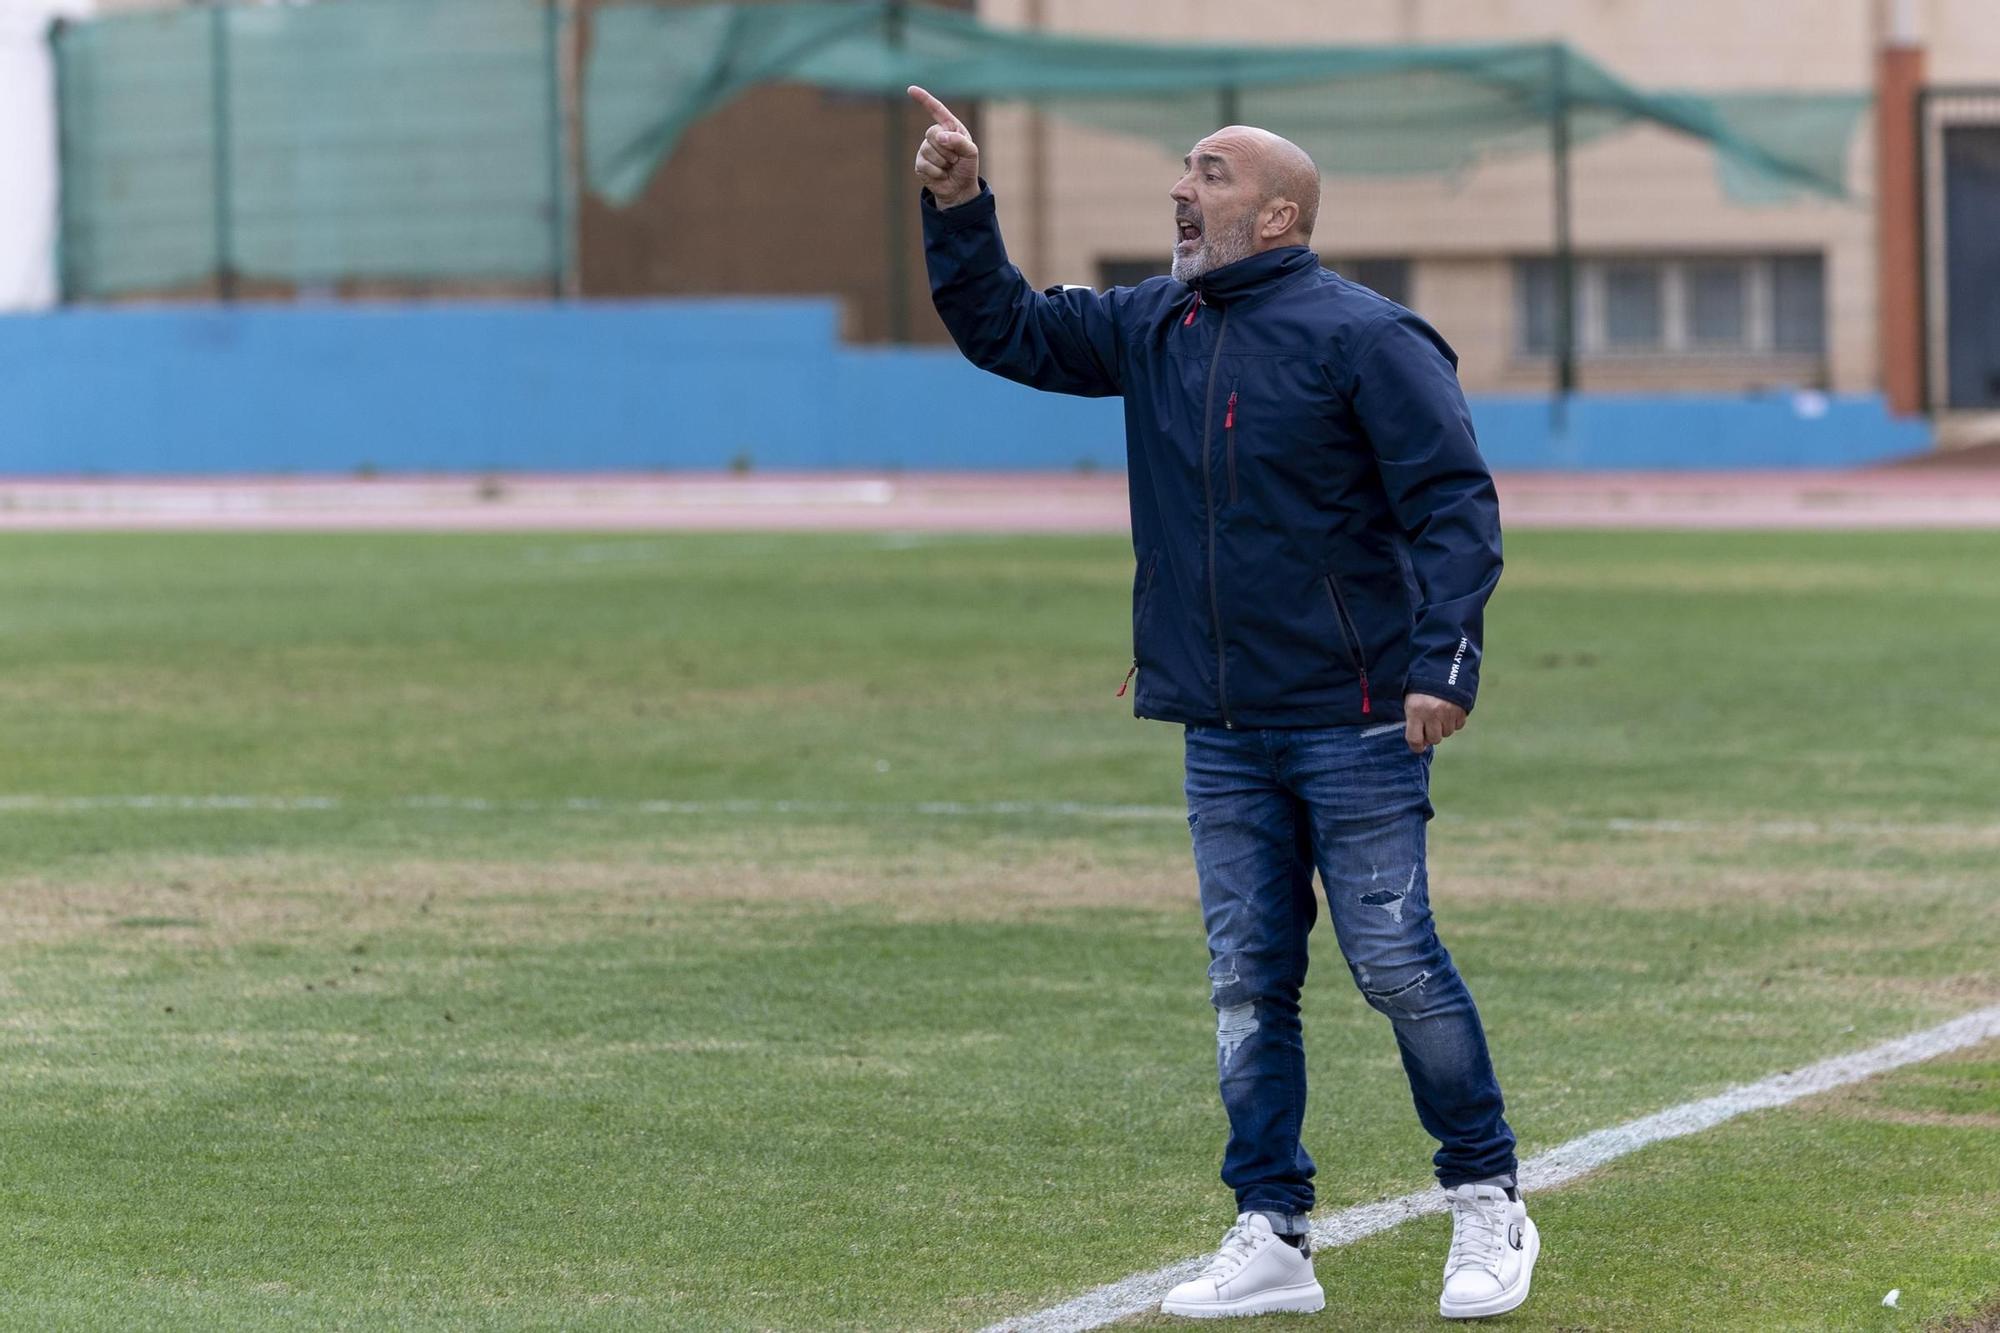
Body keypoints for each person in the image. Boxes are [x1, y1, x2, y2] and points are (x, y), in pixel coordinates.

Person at [907, 87, 1536, 1321]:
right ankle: (1272, 1231)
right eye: (1181, 171)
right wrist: (955, 203)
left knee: (1395, 963)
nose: (1179, 189)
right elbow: (1007, 330)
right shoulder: (1155, 322)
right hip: (1220, 727)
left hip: (1354, 716)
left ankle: (1485, 1200)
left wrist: (1439, 663)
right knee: (1247, 982)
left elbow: (1454, 507)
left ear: (1279, 212)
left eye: (1206, 172)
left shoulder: (1368, 336)